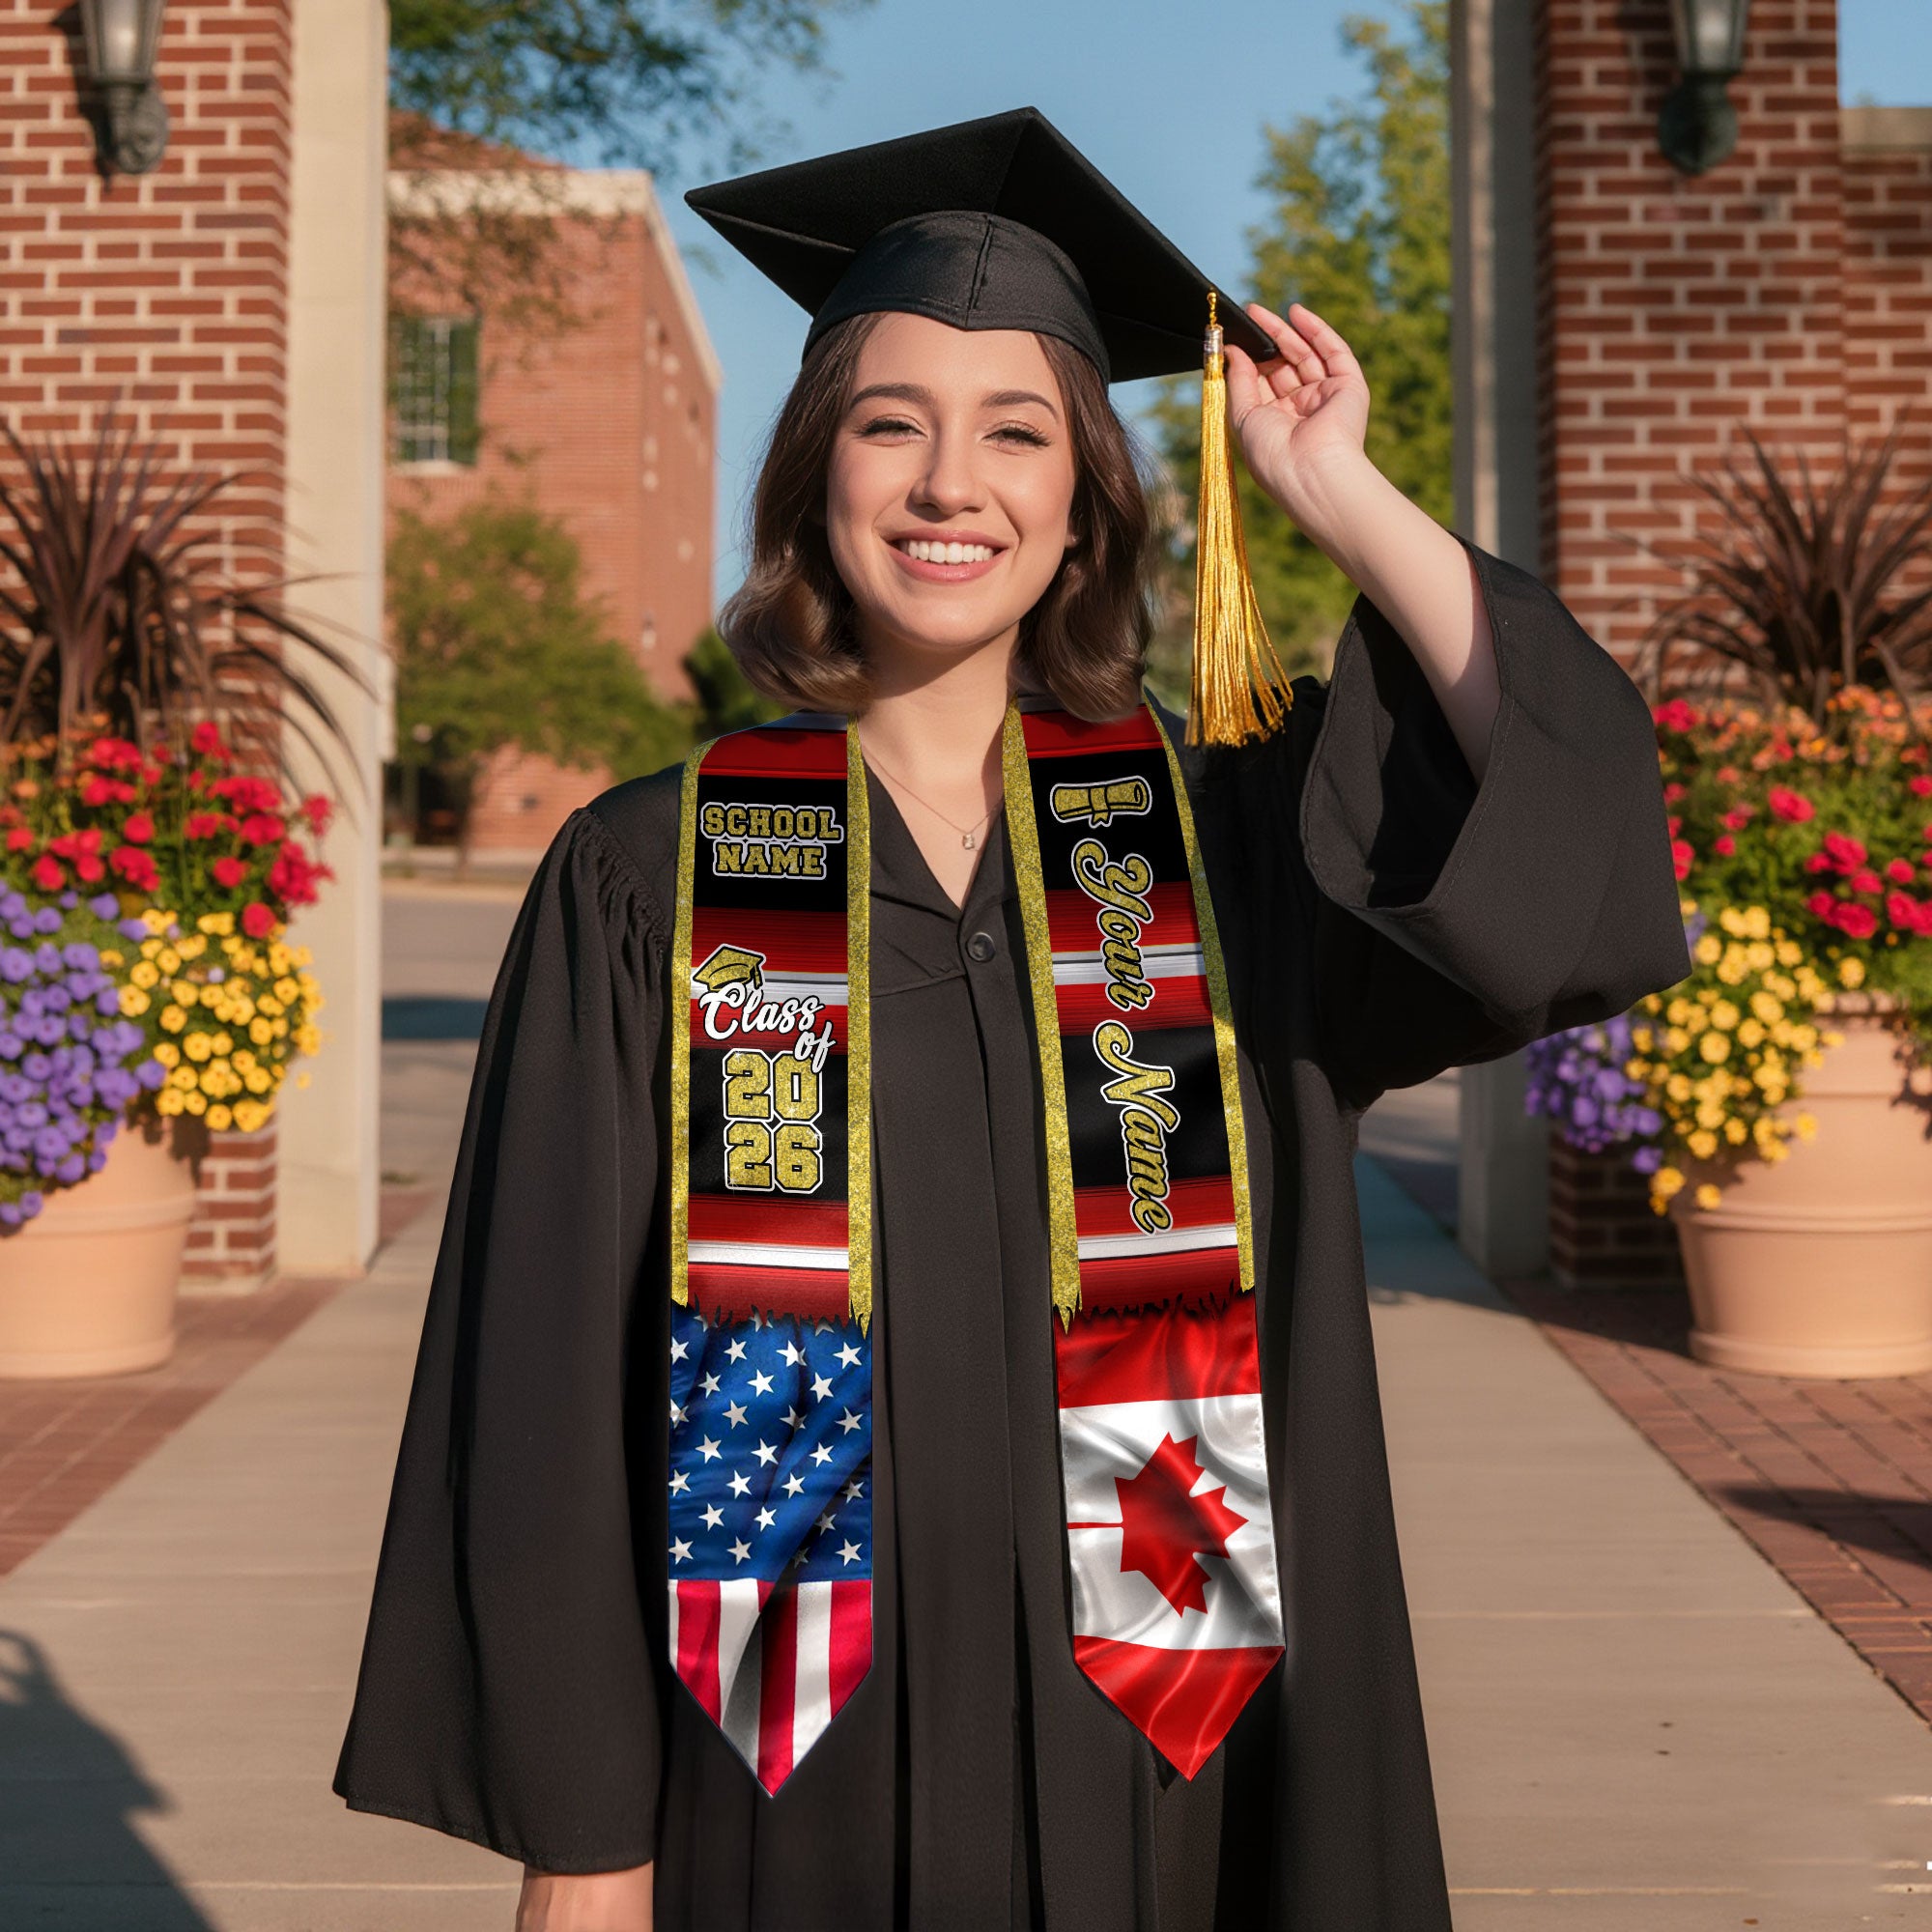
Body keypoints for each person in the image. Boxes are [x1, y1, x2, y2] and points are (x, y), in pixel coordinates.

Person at [332, 109, 1690, 1932]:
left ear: (1082, 504)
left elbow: (1558, 832)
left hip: (1177, 1764)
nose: (947, 483)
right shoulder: (651, 879)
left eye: (1016, 432)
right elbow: (546, 1386)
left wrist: (1336, 491)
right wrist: (585, 1844)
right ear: (818, 472)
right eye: (892, 424)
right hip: (780, 1774)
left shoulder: (1223, 857)